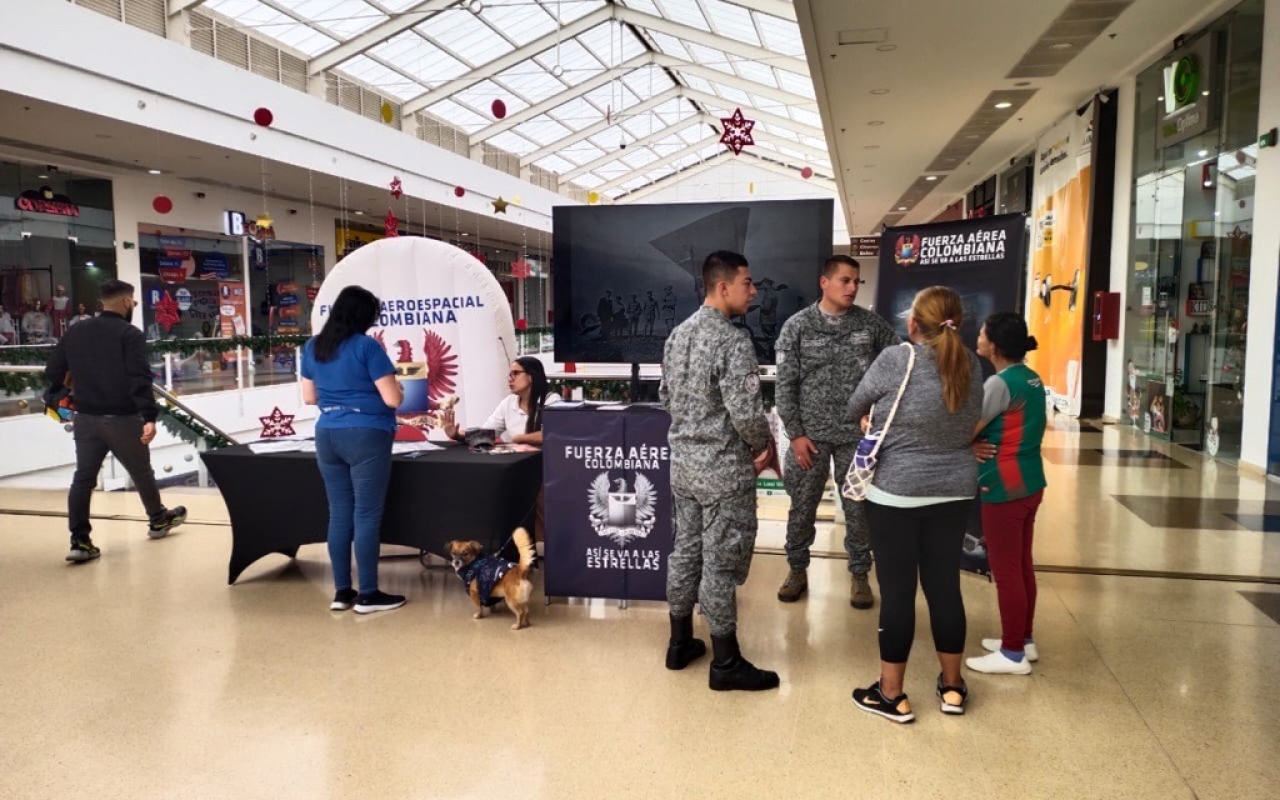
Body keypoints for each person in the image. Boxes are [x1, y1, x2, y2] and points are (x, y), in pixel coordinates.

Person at [846, 285, 984, 722]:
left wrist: (874, 417)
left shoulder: (895, 359)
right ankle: (953, 688)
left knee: (899, 593)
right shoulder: (971, 364)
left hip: (896, 493)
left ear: (912, 324)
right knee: (945, 588)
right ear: (957, 322)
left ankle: (891, 694)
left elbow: (855, 404)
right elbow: (963, 420)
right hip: (955, 488)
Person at [660, 250, 777, 692]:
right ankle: (726, 662)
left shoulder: (677, 335)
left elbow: (667, 397)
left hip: (685, 466)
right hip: (724, 470)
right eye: (747, 283)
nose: (754, 291)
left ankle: (679, 643)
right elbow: (747, 412)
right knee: (721, 562)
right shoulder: (733, 341)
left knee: (685, 551)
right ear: (723, 286)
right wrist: (761, 447)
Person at [775, 255, 898, 609]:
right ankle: (796, 570)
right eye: (844, 280)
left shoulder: (870, 325)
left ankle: (860, 574)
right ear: (824, 282)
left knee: (857, 508)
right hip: (809, 439)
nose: (851, 288)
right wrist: (795, 434)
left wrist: (877, 413)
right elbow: (785, 385)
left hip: (855, 438)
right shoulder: (797, 327)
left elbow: (897, 369)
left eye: (856, 282)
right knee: (802, 507)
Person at [44, 279, 187, 563]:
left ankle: (80, 542)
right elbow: (139, 377)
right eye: (133, 303)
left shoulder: (75, 330)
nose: (132, 307)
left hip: (85, 419)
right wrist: (149, 416)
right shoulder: (129, 334)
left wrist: (70, 391)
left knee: (83, 480)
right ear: (125, 302)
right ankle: (158, 520)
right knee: (141, 471)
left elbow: (53, 370)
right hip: (122, 418)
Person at [300, 285, 406, 615]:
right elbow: (393, 399)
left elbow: (309, 398)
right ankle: (369, 594)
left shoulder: (313, 346)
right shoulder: (366, 348)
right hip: (366, 435)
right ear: (363, 315)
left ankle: (342, 591)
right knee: (367, 514)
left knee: (339, 512)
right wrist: (398, 386)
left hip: (327, 434)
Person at [967, 314, 1046, 675]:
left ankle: (1012, 653)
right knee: (1022, 565)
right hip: (1030, 482)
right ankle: (1023, 639)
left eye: (983, 333)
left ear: (993, 346)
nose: (978, 336)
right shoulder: (1030, 377)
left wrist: (971, 444)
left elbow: (967, 429)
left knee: (1007, 571)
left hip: (1004, 485)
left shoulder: (999, 384)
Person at [441, 356, 561, 447]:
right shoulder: (508, 402)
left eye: (516, 373)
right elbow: (488, 433)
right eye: (509, 375)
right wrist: (458, 435)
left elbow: (554, 433)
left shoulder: (551, 400)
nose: (510, 379)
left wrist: (521, 439)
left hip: (546, 463)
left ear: (531, 376)